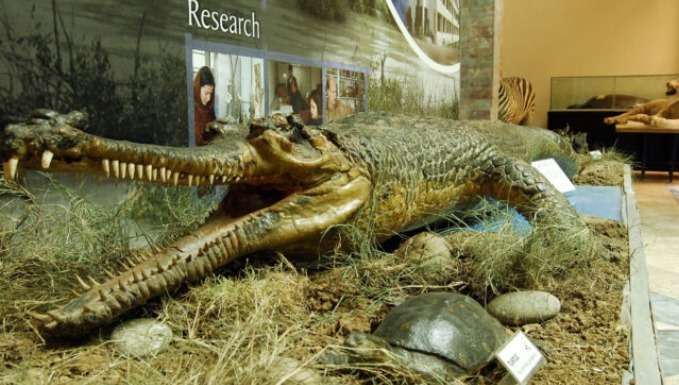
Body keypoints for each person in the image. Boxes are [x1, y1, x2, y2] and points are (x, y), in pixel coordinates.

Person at [193, 66, 216, 146]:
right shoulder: (192, 109)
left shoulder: (209, 107)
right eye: (206, 93)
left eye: (211, 94)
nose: (209, 98)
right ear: (198, 88)